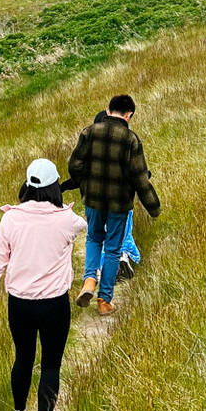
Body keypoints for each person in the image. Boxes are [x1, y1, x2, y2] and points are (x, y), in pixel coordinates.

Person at [0, 159, 87, 411]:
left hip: (19, 304)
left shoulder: (11, 220)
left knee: (23, 358)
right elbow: (82, 225)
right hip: (54, 305)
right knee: (51, 364)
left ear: (27, 185)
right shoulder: (66, 220)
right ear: (54, 186)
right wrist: (66, 208)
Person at [67, 94, 159, 317]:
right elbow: (140, 178)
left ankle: (89, 280)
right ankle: (104, 300)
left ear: (108, 111)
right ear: (129, 115)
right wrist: (153, 207)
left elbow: (74, 163)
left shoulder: (89, 132)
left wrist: (82, 183)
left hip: (93, 200)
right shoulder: (131, 140)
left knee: (93, 238)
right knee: (113, 249)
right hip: (119, 204)